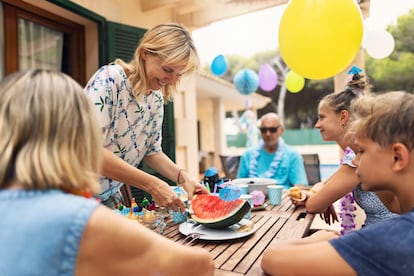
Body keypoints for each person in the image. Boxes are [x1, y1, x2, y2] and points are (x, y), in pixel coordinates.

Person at [0, 69, 214, 276]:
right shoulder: (83, 220)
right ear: (79, 132)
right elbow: (199, 266)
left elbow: (152, 151)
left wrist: (183, 178)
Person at [261, 91, 414, 275]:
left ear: (398, 157)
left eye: (362, 151)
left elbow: (273, 258)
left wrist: (328, 236)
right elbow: (324, 185)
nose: (355, 160)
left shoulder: (396, 239)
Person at [84, 23, 208, 210]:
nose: (172, 81)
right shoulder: (109, 80)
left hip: (107, 198)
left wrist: (184, 178)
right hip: (72, 193)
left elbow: (152, 151)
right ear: (145, 53)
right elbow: (91, 152)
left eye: (178, 74)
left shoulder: (156, 98)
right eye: (167, 70)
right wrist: (153, 184)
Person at [295, 67, 398, 230]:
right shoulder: (354, 155)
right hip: (375, 234)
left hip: (388, 237)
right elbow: (324, 185)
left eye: (322, 117)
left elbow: (313, 206)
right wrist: (320, 192)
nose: (317, 125)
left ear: (343, 117)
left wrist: (321, 197)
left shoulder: (361, 157)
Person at [237, 112, 308, 189]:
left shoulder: (293, 156)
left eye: (272, 129)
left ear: (281, 130)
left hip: (283, 198)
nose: (268, 134)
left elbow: (300, 186)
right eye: (263, 130)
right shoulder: (247, 155)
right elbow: (239, 185)